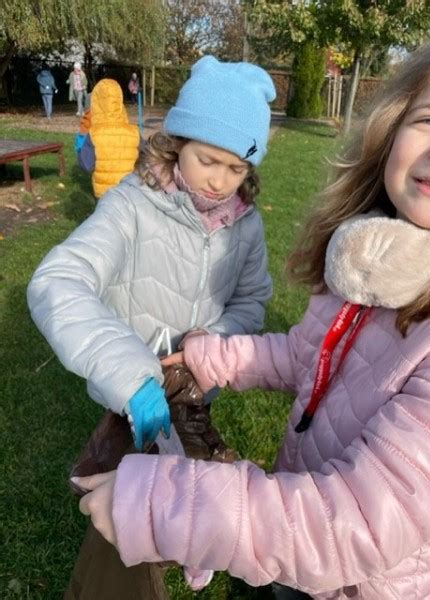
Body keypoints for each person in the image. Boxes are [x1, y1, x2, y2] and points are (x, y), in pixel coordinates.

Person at [74, 28, 430, 600]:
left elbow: (353, 522)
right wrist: (212, 355)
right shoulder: (369, 270)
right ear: (393, 125)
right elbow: (306, 357)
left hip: (365, 584)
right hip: (291, 540)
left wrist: (157, 501)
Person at [27, 55, 276, 598]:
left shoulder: (246, 223)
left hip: (196, 381)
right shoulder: (130, 206)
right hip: (135, 379)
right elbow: (57, 283)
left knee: (188, 454)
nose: (221, 182)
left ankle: (184, 533)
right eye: (210, 160)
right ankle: (129, 521)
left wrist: (212, 346)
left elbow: (252, 298)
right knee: (130, 473)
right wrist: (131, 373)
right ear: (179, 141)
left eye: (238, 170)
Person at [75, 79, 141, 198]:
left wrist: (80, 149)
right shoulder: (134, 132)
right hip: (132, 190)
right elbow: (147, 157)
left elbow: (86, 164)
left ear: (96, 104)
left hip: (106, 195)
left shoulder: (94, 134)